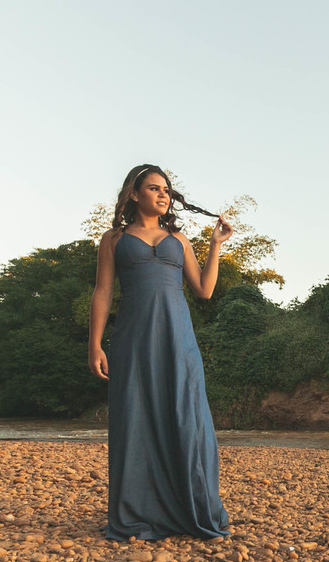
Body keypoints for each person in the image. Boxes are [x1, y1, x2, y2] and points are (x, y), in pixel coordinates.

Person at [87, 163, 233, 541]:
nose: (163, 194)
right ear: (134, 194)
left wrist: (215, 245)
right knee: (135, 419)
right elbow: (103, 293)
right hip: (133, 339)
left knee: (187, 415)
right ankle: (138, 511)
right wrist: (95, 344)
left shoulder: (179, 240)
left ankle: (191, 507)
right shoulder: (114, 240)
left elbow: (204, 289)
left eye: (166, 189)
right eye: (154, 188)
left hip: (177, 338)